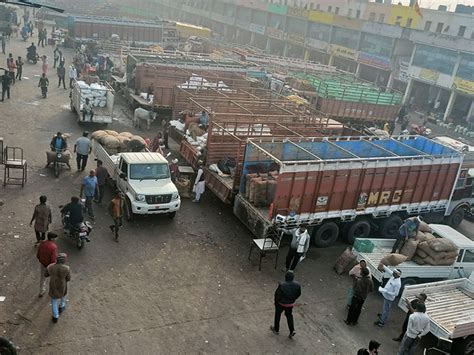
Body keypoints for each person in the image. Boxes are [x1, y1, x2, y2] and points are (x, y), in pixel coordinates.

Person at [270, 271, 301, 339]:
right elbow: (298, 294)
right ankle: (292, 330)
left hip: (281, 303)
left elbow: (277, 295)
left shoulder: (282, 285)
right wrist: (293, 299)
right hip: (290, 304)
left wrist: (276, 302)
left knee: (277, 315)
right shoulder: (297, 285)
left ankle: (276, 329)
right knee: (289, 315)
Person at [45, 253, 70, 323]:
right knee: (63, 295)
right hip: (62, 285)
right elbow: (68, 279)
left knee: (53, 301)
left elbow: (46, 274)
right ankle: (62, 306)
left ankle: (55, 316)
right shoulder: (66, 268)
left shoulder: (51, 267)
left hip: (53, 286)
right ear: (64, 261)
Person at [36, 232, 58, 297]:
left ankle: (41, 291)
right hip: (51, 266)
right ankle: (52, 291)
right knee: (53, 278)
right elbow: (53, 259)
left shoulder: (42, 244)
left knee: (42, 278)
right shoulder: (53, 247)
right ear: (52, 238)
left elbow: (38, 255)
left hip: (43, 264)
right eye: (55, 238)